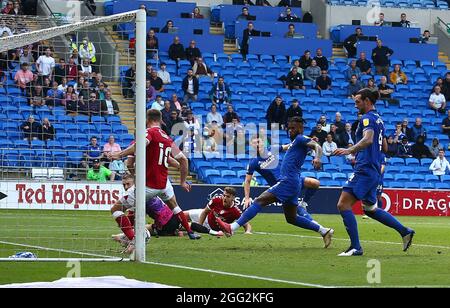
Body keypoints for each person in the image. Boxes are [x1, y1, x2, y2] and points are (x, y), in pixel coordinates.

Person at [215, 117, 334, 246]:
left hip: (288, 181)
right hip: (288, 182)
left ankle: (231, 228)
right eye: (289, 129)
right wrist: (247, 196)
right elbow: (247, 180)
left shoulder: (297, 140)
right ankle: (324, 231)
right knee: (291, 218)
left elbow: (316, 146)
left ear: (300, 128)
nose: (290, 131)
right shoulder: (256, 160)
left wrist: (317, 157)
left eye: (293, 128)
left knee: (259, 201)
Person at [333, 89, 414, 256]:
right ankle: (404, 231)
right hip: (374, 168)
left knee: (343, 204)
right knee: (370, 209)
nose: (356, 106)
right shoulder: (379, 120)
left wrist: (351, 150)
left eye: (358, 102)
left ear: (367, 101)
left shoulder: (367, 119)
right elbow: (384, 147)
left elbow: (368, 139)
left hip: (365, 168)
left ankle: (356, 247)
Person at [109, 109, 201, 240]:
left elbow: (137, 150)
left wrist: (119, 154)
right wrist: (182, 181)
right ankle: (190, 232)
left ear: (147, 120)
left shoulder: (148, 132)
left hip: (148, 185)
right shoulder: (167, 138)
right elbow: (183, 160)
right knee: (175, 207)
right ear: (161, 120)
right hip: (163, 184)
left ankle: (132, 239)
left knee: (116, 209)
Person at [184, 187, 248, 237]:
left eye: (228, 196)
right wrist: (199, 227)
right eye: (224, 195)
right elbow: (205, 212)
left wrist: (247, 232)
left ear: (233, 198)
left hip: (214, 230)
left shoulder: (235, 211)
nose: (225, 198)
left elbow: (246, 224)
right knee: (181, 215)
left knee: (185, 228)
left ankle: (180, 230)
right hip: (206, 218)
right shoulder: (217, 200)